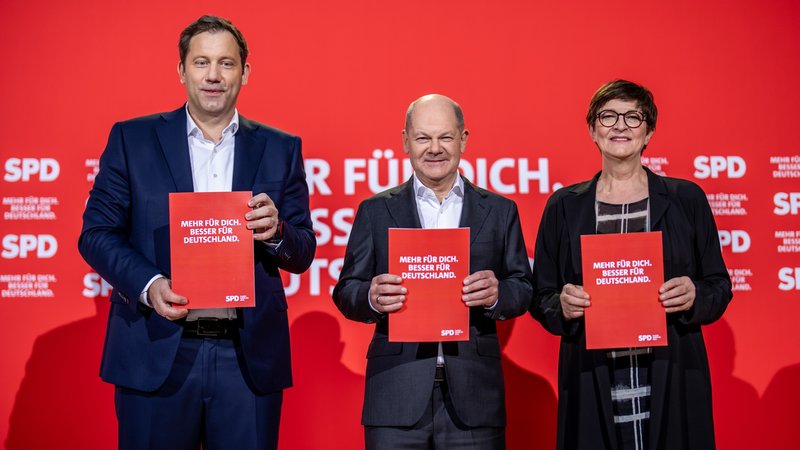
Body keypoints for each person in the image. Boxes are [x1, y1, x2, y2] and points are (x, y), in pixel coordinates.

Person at [78, 15, 315, 450]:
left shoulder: (281, 148)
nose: (213, 76)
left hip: (247, 359)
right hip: (156, 349)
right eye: (201, 62)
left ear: (245, 72)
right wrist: (150, 285)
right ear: (181, 70)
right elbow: (96, 234)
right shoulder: (133, 139)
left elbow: (301, 252)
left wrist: (276, 231)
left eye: (226, 64)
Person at [529, 79, 732, 450]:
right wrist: (562, 303)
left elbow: (718, 285)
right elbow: (541, 294)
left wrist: (693, 294)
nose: (619, 126)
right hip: (593, 376)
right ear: (592, 130)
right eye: (608, 116)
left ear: (649, 131)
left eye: (633, 117)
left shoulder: (685, 199)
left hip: (669, 372)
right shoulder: (564, 206)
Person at [333, 94, 533, 449]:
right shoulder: (375, 211)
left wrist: (498, 292)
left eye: (445, 137)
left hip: (475, 396)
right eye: (423, 138)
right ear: (406, 141)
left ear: (464, 139)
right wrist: (371, 296)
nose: (434, 148)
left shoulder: (500, 211)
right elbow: (347, 290)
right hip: (395, 394)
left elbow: (523, 287)